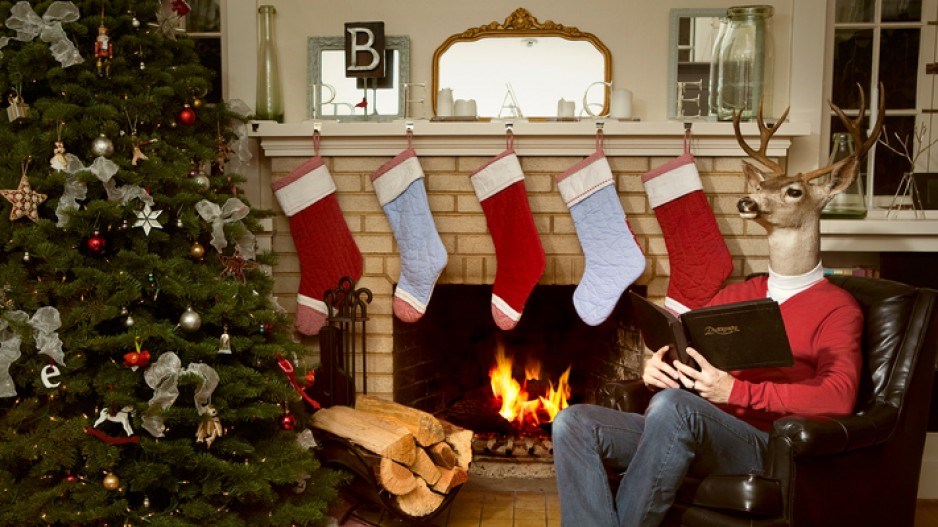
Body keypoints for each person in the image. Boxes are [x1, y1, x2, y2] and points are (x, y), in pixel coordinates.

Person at [552, 264, 863, 527]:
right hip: (697, 430)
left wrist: (735, 391)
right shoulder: (735, 295)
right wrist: (657, 372)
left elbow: (839, 398)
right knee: (573, 422)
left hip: (766, 444)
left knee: (675, 407)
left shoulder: (837, 305)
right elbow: (691, 358)